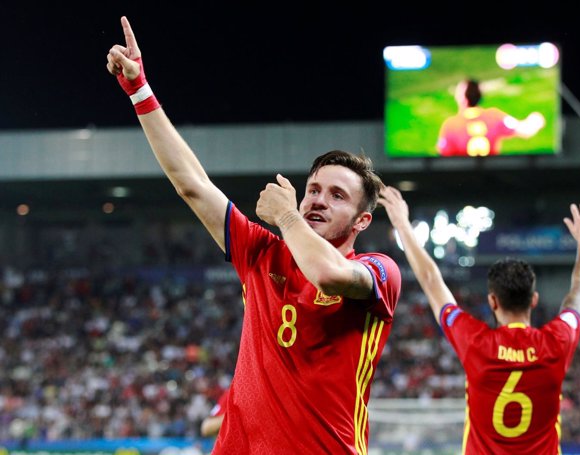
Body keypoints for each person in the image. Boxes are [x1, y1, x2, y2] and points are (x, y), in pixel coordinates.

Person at [106, 16, 401, 455]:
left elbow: (327, 274)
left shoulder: (378, 271)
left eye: (337, 196)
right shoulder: (261, 253)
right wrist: (140, 91)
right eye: (313, 189)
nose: (318, 200)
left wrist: (286, 217)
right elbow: (192, 184)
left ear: (361, 222)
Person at [379, 186, 580, 454]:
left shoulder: (475, 342)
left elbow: (431, 280)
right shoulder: (557, 342)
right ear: (534, 300)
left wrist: (402, 223)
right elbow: (579, 292)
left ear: (492, 301)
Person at [436, 79, 546, 157]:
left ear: (462, 98)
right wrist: (536, 120)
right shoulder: (495, 116)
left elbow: (442, 160)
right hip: (491, 179)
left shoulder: (450, 125)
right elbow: (525, 130)